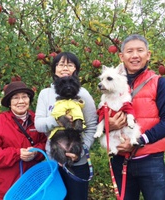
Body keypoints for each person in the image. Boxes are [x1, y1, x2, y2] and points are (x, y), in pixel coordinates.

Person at [109, 34, 165, 200]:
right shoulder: (111, 83)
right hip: (120, 161)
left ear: (148, 55)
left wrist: (139, 141)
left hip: (151, 162)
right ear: (121, 56)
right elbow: (103, 113)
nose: (135, 55)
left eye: (140, 50)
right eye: (130, 51)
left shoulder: (160, 83)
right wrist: (108, 125)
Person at [35, 52, 97, 200]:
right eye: (61, 64)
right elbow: (39, 125)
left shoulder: (83, 94)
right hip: (54, 161)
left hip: (78, 162)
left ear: (75, 69)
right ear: (54, 69)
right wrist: (57, 120)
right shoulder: (45, 94)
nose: (65, 67)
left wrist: (81, 151)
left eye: (70, 64)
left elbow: (91, 126)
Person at [0, 81, 47, 200]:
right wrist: (17, 154)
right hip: (7, 186)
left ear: (29, 99)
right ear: (9, 103)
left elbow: (47, 143)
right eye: (15, 98)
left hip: (31, 184)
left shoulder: (37, 120)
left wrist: (36, 152)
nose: (21, 101)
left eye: (24, 97)